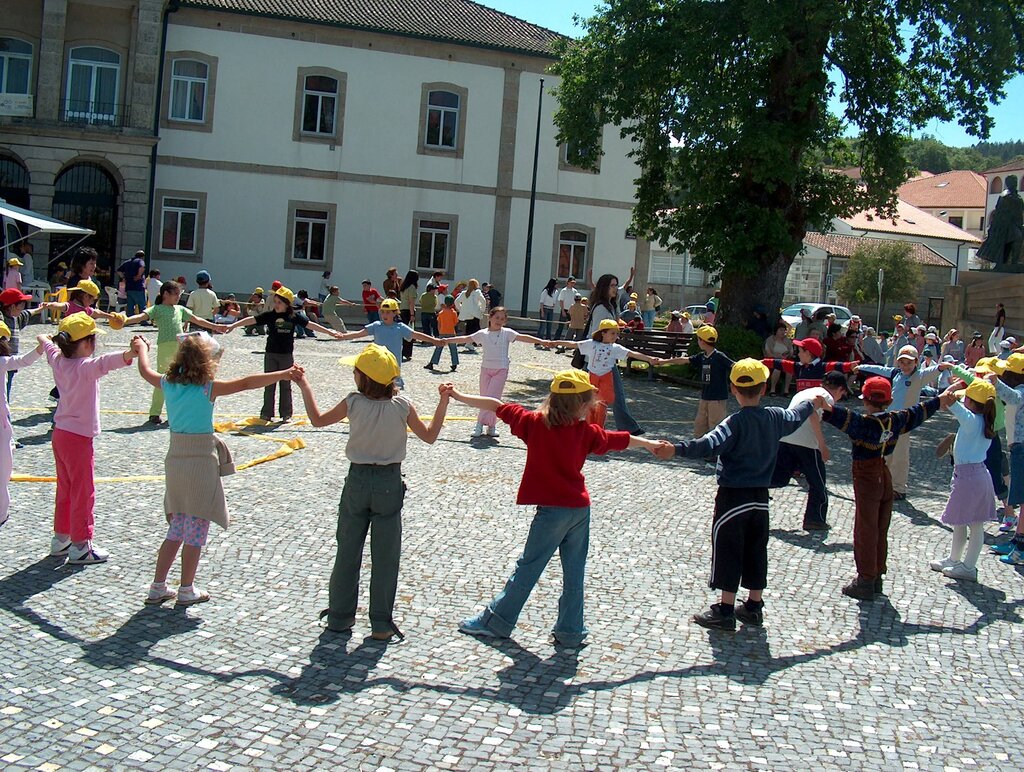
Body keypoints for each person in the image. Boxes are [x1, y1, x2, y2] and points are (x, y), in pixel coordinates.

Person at [452, 369, 667, 646]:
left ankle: (496, 622)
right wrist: (649, 444)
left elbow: (495, 405)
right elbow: (619, 439)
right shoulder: (586, 432)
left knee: (528, 567)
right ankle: (570, 631)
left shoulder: (533, 423)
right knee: (574, 572)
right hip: (579, 510)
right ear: (582, 404)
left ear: (552, 399)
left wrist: (457, 395)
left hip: (552, 513)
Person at [654, 359, 824, 630]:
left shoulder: (733, 423)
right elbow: (796, 415)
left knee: (728, 550)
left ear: (733, 388)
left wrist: (675, 449)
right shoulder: (775, 417)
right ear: (765, 387)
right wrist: (813, 401)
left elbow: (708, 444)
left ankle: (724, 610)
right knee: (756, 549)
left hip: (733, 498)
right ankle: (754, 606)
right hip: (760, 499)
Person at [136, 332, 301, 606]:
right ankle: (186, 589)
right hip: (201, 463)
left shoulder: (167, 383)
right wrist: (285, 373)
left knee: (176, 527)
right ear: (206, 363)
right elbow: (247, 383)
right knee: (196, 527)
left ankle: (158, 586)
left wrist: (141, 347)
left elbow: (145, 370)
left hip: (175, 461)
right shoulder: (207, 388)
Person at [298, 344, 450, 641]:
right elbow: (430, 436)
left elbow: (316, 420)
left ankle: (340, 618)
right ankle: (380, 624)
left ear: (362, 377)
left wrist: (304, 384)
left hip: (357, 480)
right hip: (389, 482)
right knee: (385, 556)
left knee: (347, 551)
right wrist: (443, 401)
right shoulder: (403, 405)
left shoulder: (353, 402)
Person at [821, 377, 951, 599]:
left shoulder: (863, 423)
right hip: (884, 474)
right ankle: (878, 575)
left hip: (866, 476)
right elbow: (919, 411)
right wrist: (941, 399)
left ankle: (865, 579)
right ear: (889, 401)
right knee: (881, 526)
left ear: (866, 401)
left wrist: (821, 404)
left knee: (865, 528)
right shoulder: (896, 420)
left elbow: (834, 414)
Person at [41, 315, 144, 564]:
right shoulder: (86, 367)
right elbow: (108, 362)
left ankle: (61, 538)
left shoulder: (58, 360)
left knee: (65, 488)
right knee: (83, 492)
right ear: (87, 343)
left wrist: (44, 338)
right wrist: (134, 351)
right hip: (78, 439)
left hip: (60, 434)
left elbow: (46, 343)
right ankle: (81, 546)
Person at [227, 286, 342, 421]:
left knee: (286, 385)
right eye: (275, 302)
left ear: (287, 304)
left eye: (279, 302)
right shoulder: (270, 315)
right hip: (271, 354)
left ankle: (286, 413)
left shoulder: (293, 316)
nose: (276, 305)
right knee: (269, 384)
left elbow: (311, 325)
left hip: (286, 355)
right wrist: (233, 326)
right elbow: (252, 320)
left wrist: (330, 332)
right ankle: (266, 413)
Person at [120, 280, 227, 424]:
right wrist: (124, 320)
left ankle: (176, 411)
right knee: (163, 380)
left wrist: (214, 326)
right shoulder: (157, 309)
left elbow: (197, 319)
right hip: (165, 348)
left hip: (181, 348)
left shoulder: (180, 309)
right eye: (175, 294)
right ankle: (154, 413)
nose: (178, 297)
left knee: (181, 379)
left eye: (179, 294)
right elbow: (141, 317)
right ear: (165, 294)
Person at [434, 306, 547, 437]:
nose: (499, 321)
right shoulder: (482, 334)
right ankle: (491, 426)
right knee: (484, 397)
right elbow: (465, 339)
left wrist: (541, 341)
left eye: (502, 319)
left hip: (501, 369)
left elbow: (523, 337)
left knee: (492, 398)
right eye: (496, 317)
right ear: (490, 317)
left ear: (505, 321)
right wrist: (446, 340)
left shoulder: (507, 333)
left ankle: (480, 424)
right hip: (486, 369)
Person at [858, 345, 950, 499]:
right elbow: (878, 369)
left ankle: (899, 488)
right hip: (888, 420)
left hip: (904, 422)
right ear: (898, 362)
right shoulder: (895, 373)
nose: (905, 366)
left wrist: (943, 366)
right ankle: (885, 483)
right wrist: (860, 367)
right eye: (902, 362)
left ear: (916, 362)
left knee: (900, 456)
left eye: (909, 362)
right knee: (885, 453)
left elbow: (935, 370)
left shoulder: (919, 376)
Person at [928, 380, 997, 582]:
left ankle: (968, 567)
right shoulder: (984, 421)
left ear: (971, 401)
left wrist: (955, 387)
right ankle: (955, 560)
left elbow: (949, 401)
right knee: (962, 522)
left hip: (969, 478)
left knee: (974, 524)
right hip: (975, 476)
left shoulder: (972, 421)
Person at [551, 319, 668, 427]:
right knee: (589, 404)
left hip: (606, 378)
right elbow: (573, 344)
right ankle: (588, 428)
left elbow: (632, 354)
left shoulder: (615, 348)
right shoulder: (591, 344)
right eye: (612, 333)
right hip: (592, 377)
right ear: (603, 333)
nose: (615, 336)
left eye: (616, 334)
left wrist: (649, 359)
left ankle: (598, 429)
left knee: (601, 405)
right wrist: (555, 342)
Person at [770, 371, 848, 531]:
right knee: (818, 483)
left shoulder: (806, 391)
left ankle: (753, 490)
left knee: (779, 477)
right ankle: (815, 520)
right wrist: (822, 445)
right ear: (840, 389)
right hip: (806, 443)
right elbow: (812, 415)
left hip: (785, 437)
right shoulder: (826, 397)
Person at [335, 298, 440, 388]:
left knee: (392, 393)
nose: (384, 315)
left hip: (393, 368)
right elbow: (359, 333)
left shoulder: (400, 327)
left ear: (395, 313)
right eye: (383, 312)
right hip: (377, 366)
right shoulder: (376, 326)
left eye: (388, 312)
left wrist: (433, 340)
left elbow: (416, 335)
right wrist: (344, 336)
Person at [587, 273, 644, 435]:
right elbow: (595, 335)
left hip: (606, 358)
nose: (615, 289)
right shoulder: (600, 308)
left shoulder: (611, 306)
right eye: (612, 285)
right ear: (604, 288)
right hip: (599, 359)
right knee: (594, 395)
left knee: (611, 394)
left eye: (616, 285)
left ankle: (626, 426)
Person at [0, 322, 44, 527]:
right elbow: (23, 360)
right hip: (1, 425)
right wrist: (41, 348)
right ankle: (1, 514)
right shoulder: (2, 361)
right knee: (3, 470)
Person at [991, 354, 1024, 565]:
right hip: (1018, 447)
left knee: (1023, 498)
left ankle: (1020, 547)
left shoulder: (1021, 390)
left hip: (1022, 447)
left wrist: (996, 382)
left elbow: (1014, 398)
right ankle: (1017, 541)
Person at [0, 287, 52, 399]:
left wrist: (40, 309)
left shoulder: (17, 318)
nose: (23, 308)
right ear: (12, 306)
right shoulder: (2, 319)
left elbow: (28, 313)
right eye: (21, 305)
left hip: (11, 364)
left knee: (5, 393)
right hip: (3, 361)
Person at [762, 337, 857, 392]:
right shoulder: (798, 367)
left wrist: (849, 366)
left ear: (807, 353)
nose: (798, 354)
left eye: (800, 351)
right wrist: (762, 362)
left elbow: (836, 365)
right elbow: (780, 363)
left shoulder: (822, 367)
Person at [424, 294, 459, 373]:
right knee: (453, 350)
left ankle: (432, 363)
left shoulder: (441, 313)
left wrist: (440, 331)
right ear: (452, 303)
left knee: (438, 349)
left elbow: (438, 323)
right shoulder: (453, 313)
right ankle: (454, 363)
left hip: (442, 332)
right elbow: (455, 322)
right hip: (451, 333)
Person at [455, 279, 487, 350]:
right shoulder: (477, 292)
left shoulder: (464, 293)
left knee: (469, 328)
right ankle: (471, 343)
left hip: (467, 314)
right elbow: (483, 301)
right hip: (475, 314)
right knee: (476, 329)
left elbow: (456, 301)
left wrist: (461, 309)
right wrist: (482, 309)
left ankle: (469, 342)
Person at [763, 323, 793, 396]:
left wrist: (787, 355)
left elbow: (791, 351)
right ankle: (772, 389)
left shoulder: (787, 341)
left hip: (785, 360)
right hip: (773, 360)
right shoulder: (770, 340)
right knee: (777, 368)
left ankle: (786, 390)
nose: (783, 332)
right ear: (776, 331)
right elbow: (768, 353)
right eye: (781, 330)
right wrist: (777, 357)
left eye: (784, 330)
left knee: (790, 368)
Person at [117, 250, 147, 317]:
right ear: (142, 257)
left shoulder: (127, 262)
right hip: (138, 287)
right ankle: (143, 320)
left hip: (129, 287)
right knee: (142, 305)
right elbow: (142, 267)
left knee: (130, 305)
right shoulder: (140, 261)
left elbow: (118, 271)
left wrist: (123, 277)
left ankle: (129, 319)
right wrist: (138, 276)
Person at [398, 270, 420, 361]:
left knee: (403, 332)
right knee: (409, 333)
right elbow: (411, 302)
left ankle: (401, 351)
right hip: (408, 311)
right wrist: (412, 314)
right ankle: (407, 352)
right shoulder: (412, 287)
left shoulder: (403, 286)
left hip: (402, 310)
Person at [555, 277, 578, 341]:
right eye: (571, 282)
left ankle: (569, 339)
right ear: (568, 282)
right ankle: (556, 339)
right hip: (564, 309)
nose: (572, 284)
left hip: (572, 310)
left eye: (574, 283)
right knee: (561, 325)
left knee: (571, 326)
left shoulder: (575, 291)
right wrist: (562, 311)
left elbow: (576, 302)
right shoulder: (564, 290)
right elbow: (561, 301)